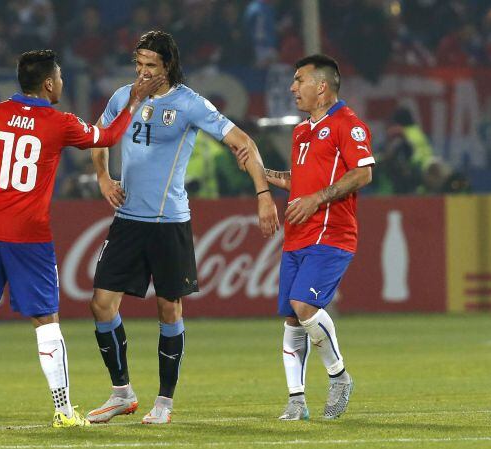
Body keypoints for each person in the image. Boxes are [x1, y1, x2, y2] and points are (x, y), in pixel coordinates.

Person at [0, 49, 163, 430]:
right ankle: (62, 409)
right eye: (59, 77)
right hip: (28, 234)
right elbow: (107, 136)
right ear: (47, 83)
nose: (62, 83)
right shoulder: (59, 122)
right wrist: (135, 99)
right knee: (46, 320)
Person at [86, 30, 279, 425]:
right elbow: (99, 137)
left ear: (168, 66)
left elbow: (243, 141)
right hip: (127, 220)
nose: (142, 73)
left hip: (168, 222)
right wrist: (104, 178)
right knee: (101, 304)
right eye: (138, 65)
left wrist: (262, 194)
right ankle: (121, 392)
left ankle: (164, 402)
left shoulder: (190, 104)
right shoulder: (123, 97)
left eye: (150, 66)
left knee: (168, 309)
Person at [260, 54, 373, 421]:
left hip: (332, 234)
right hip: (297, 236)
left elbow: (362, 174)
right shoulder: (301, 131)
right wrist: (259, 171)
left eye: (299, 80)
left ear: (321, 86)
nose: (292, 87)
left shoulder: (348, 124)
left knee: (304, 307)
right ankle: (296, 401)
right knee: (293, 319)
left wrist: (318, 198)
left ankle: (339, 376)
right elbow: (302, 181)